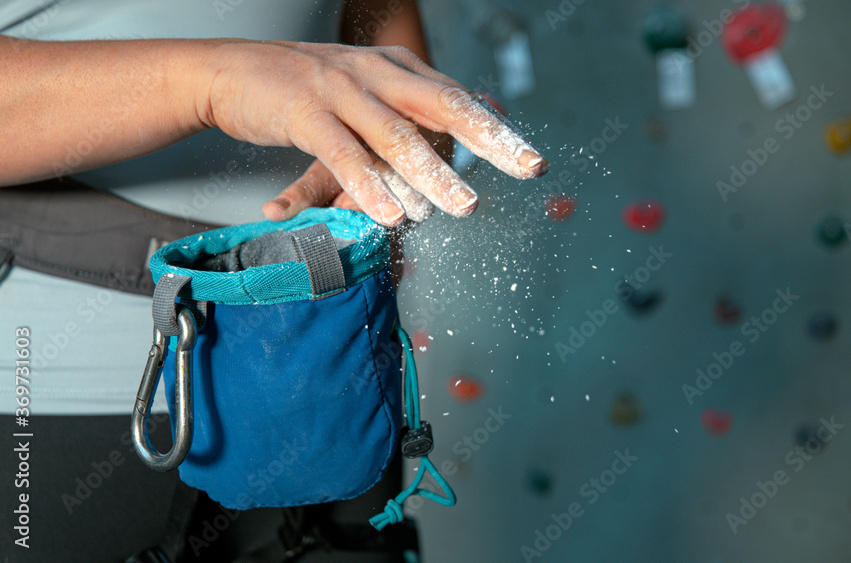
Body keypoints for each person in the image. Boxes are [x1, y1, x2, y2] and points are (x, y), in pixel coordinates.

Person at [0, 1, 548, 561]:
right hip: (61, 399)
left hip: (333, 368)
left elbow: (373, 11)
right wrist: (216, 79)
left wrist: (396, 133)